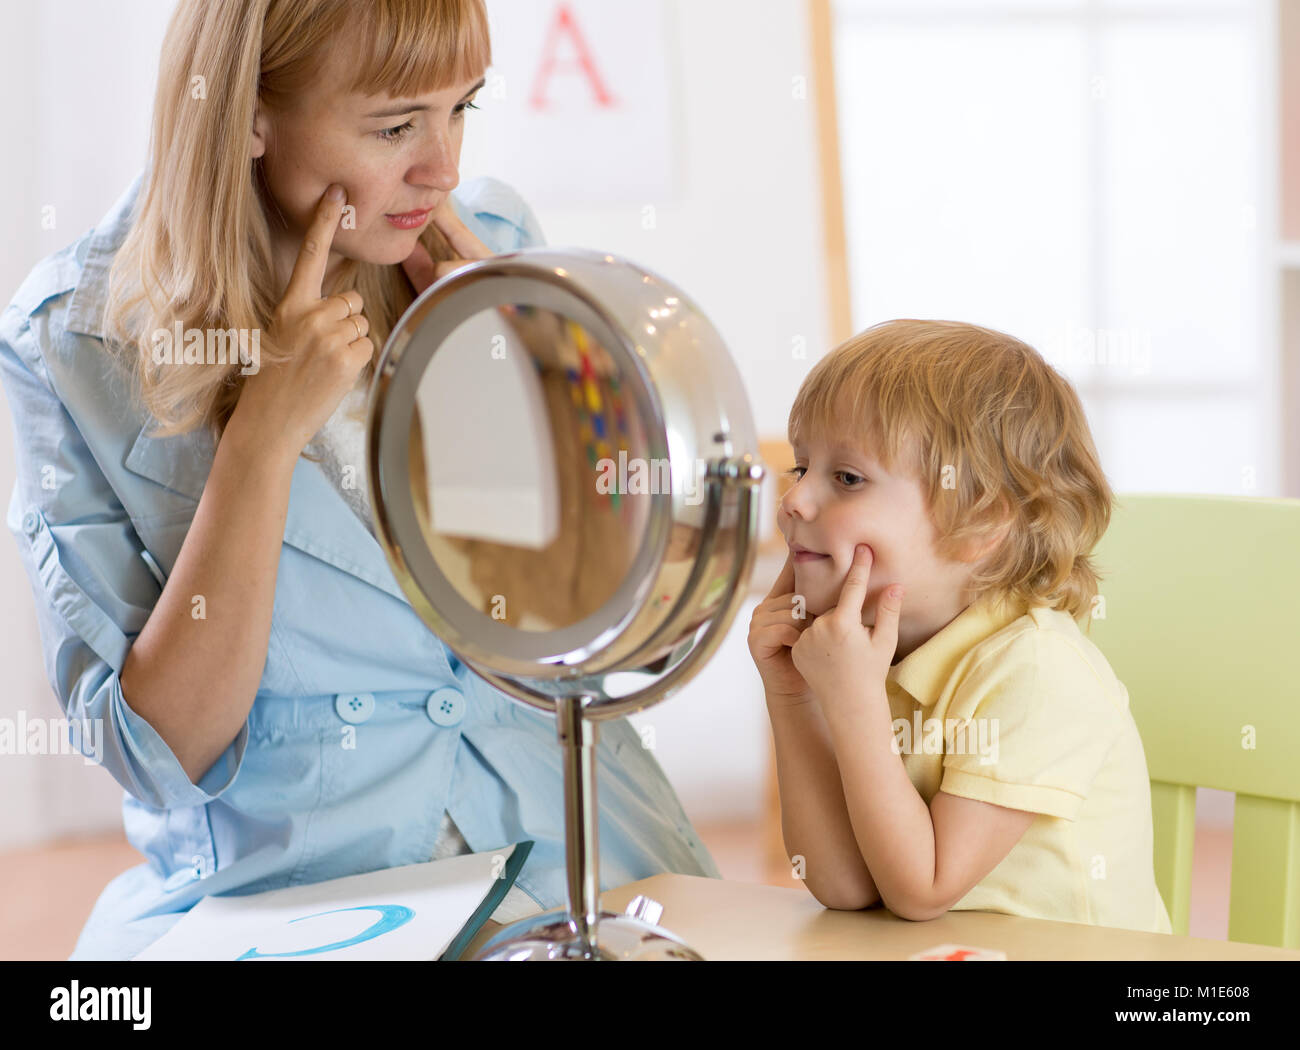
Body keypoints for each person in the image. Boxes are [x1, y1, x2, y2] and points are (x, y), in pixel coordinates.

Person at [0, 0, 718, 962]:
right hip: (299, 900)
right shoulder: (75, 335)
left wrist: (525, 379)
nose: (444, 168)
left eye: (462, 108)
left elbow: (596, 612)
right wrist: (260, 441)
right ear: (248, 113)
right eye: (394, 127)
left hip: (578, 852)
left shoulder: (492, 239)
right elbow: (163, 753)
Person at [747, 318, 1172, 933]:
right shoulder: (872, 656)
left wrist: (855, 701)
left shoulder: (1036, 672)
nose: (793, 501)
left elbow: (922, 889)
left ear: (979, 524)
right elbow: (845, 884)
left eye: (846, 478)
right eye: (801, 468)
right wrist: (793, 695)